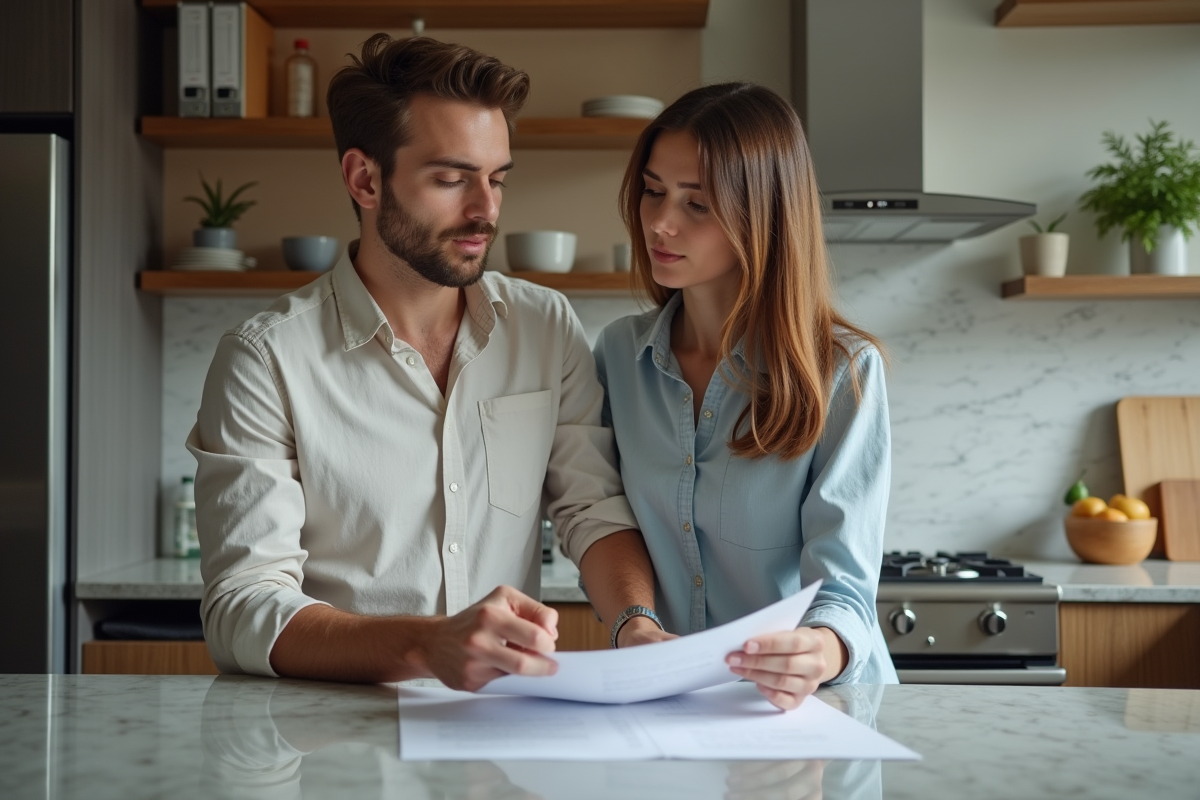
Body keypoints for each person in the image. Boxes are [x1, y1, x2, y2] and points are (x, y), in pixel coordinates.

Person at [186, 34, 654, 689]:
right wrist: (426, 645)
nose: (484, 211)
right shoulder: (266, 359)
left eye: (496, 179)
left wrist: (635, 620)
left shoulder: (544, 327)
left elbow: (591, 508)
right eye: (451, 178)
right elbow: (244, 607)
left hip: (496, 748)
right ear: (365, 178)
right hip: (334, 749)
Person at [591, 82, 899, 710]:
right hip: (676, 706)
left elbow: (845, 589)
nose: (661, 222)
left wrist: (819, 649)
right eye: (653, 192)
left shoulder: (842, 371)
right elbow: (599, 516)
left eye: (697, 204)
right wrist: (636, 628)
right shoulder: (618, 357)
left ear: (765, 216)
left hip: (812, 712)